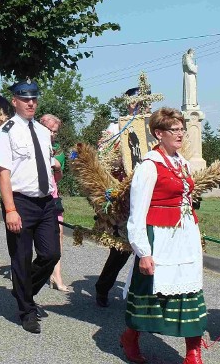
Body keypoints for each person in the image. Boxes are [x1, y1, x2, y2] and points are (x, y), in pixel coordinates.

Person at [120, 107, 206, 364]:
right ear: (159, 133)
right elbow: (137, 213)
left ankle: (193, 351)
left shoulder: (182, 163)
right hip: (160, 236)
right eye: (175, 129)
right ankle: (130, 337)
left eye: (182, 129)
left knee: (190, 289)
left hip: (184, 235)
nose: (181, 134)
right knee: (151, 291)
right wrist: (143, 252)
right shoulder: (149, 166)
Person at [0, 79, 60, 334]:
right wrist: (10, 209)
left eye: (33, 98)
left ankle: (23, 289)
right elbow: (3, 173)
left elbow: (44, 164)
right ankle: (26, 309)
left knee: (51, 254)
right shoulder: (6, 132)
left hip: (44, 201)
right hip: (20, 202)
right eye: (24, 99)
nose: (30, 103)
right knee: (21, 258)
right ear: (15, 101)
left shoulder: (43, 132)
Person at [95, 88, 140, 307]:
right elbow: (103, 158)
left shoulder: (155, 127)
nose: (140, 105)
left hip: (151, 191)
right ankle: (103, 287)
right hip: (125, 191)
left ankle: (144, 297)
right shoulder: (115, 127)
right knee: (122, 247)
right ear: (128, 104)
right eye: (135, 102)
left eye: (144, 102)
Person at [40, 113, 70, 293]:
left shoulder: (57, 149)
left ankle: (56, 274)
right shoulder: (32, 144)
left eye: (55, 132)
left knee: (58, 232)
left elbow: (59, 176)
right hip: (33, 195)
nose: (52, 135)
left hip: (52, 194)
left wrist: (57, 167)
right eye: (49, 130)